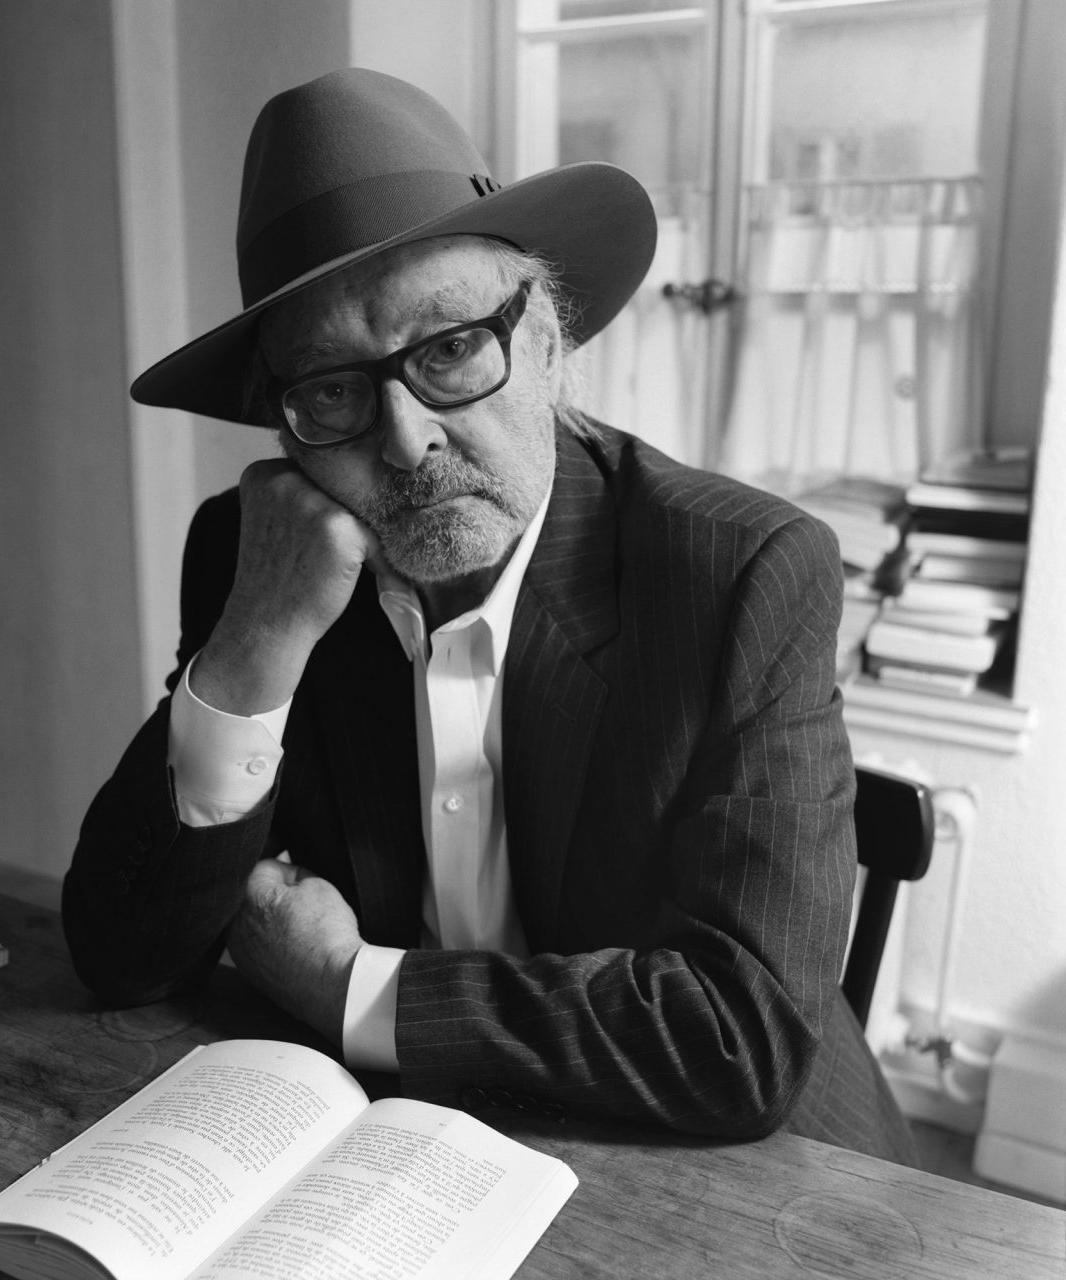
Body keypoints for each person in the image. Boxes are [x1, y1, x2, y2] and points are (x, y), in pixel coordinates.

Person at [63, 67, 916, 1164]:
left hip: (748, 1181)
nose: (405, 438)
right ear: (283, 426)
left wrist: (346, 983)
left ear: (549, 343)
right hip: (401, 1153)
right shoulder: (255, 558)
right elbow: (123, 956)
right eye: (332, 388)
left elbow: (735, 1039)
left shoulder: (744, 571)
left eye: (450, 347)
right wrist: (255, 644)